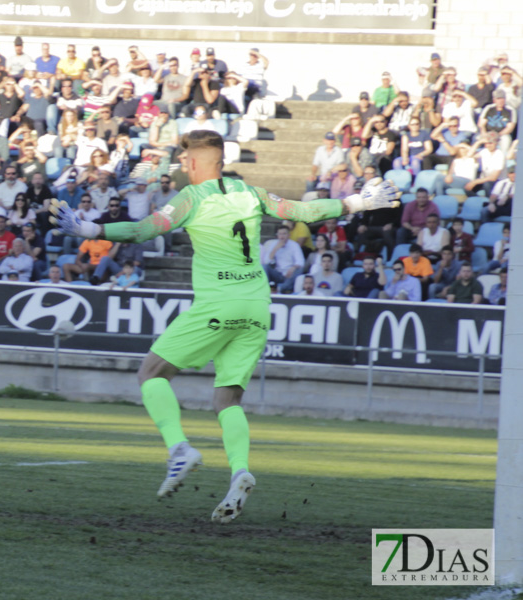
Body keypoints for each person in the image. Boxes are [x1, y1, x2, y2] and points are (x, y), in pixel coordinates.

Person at [50, 130, 400, 523]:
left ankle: (180, 450)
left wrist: (89, 230)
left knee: (151, 372)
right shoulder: (250, 193)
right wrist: (358, 201)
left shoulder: (191, 198)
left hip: (219, 303)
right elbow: (304, 212)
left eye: (185, 161)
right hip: (257, 307)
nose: (182, 167)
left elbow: (142, 229)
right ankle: (239, 472)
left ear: (198, 162)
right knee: (227, 401)